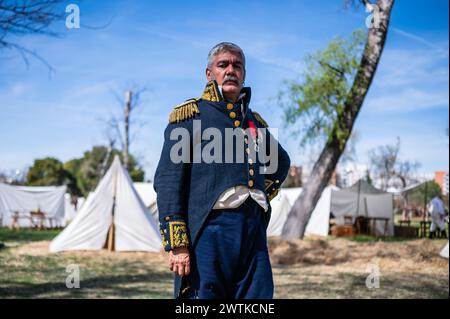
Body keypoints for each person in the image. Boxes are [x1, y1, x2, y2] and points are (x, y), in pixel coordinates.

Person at [154, 42, 291, 299]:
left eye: (237, 65)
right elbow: (168, 181)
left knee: (257, 298)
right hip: (211, 227)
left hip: (253, 229)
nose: (231, 70)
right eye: (223, 65)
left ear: (244, 74)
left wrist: (258, 191)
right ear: (209, 73)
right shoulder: (190, 116)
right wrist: (178, 244)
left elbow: (281, 164)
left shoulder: (255, 122)